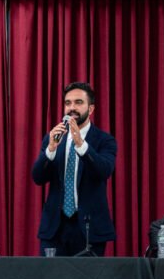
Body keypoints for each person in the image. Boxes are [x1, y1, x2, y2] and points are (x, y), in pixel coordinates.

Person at [32, 82, 117, 256]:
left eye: (78, 102)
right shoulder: (53, 138)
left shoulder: (104, 140)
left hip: (89, 229)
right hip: (55, 228)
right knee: (50, 274)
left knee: (88, 275)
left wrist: (81, 145)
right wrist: (50, 149)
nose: (72, 108)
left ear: (91, 109)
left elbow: (104, 171)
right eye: (68, 103)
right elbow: (38, 177)